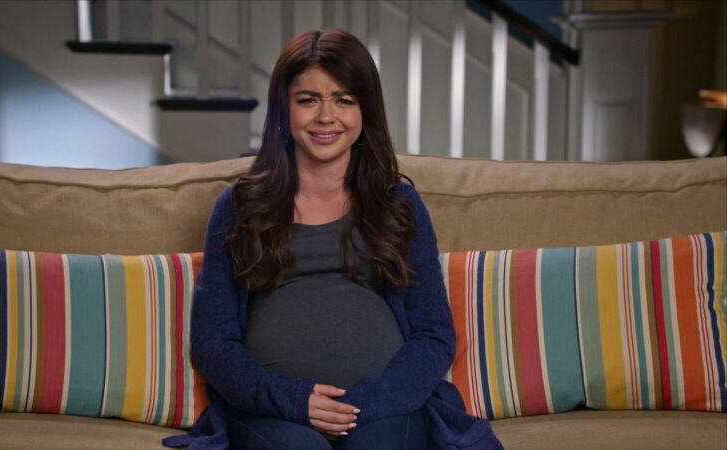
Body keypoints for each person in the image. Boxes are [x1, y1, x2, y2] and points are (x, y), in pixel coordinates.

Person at [164, 29, 501, 450]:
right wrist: (292, 401)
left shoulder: (398, 204)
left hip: (385, 408)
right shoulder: (239, 207)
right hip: (271, 411)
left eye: (344, 100)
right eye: (308, 100)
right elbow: (213, 341)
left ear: (365, 111)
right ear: (284, 109)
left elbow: (434, 334)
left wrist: (365, 405)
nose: (326, 116)